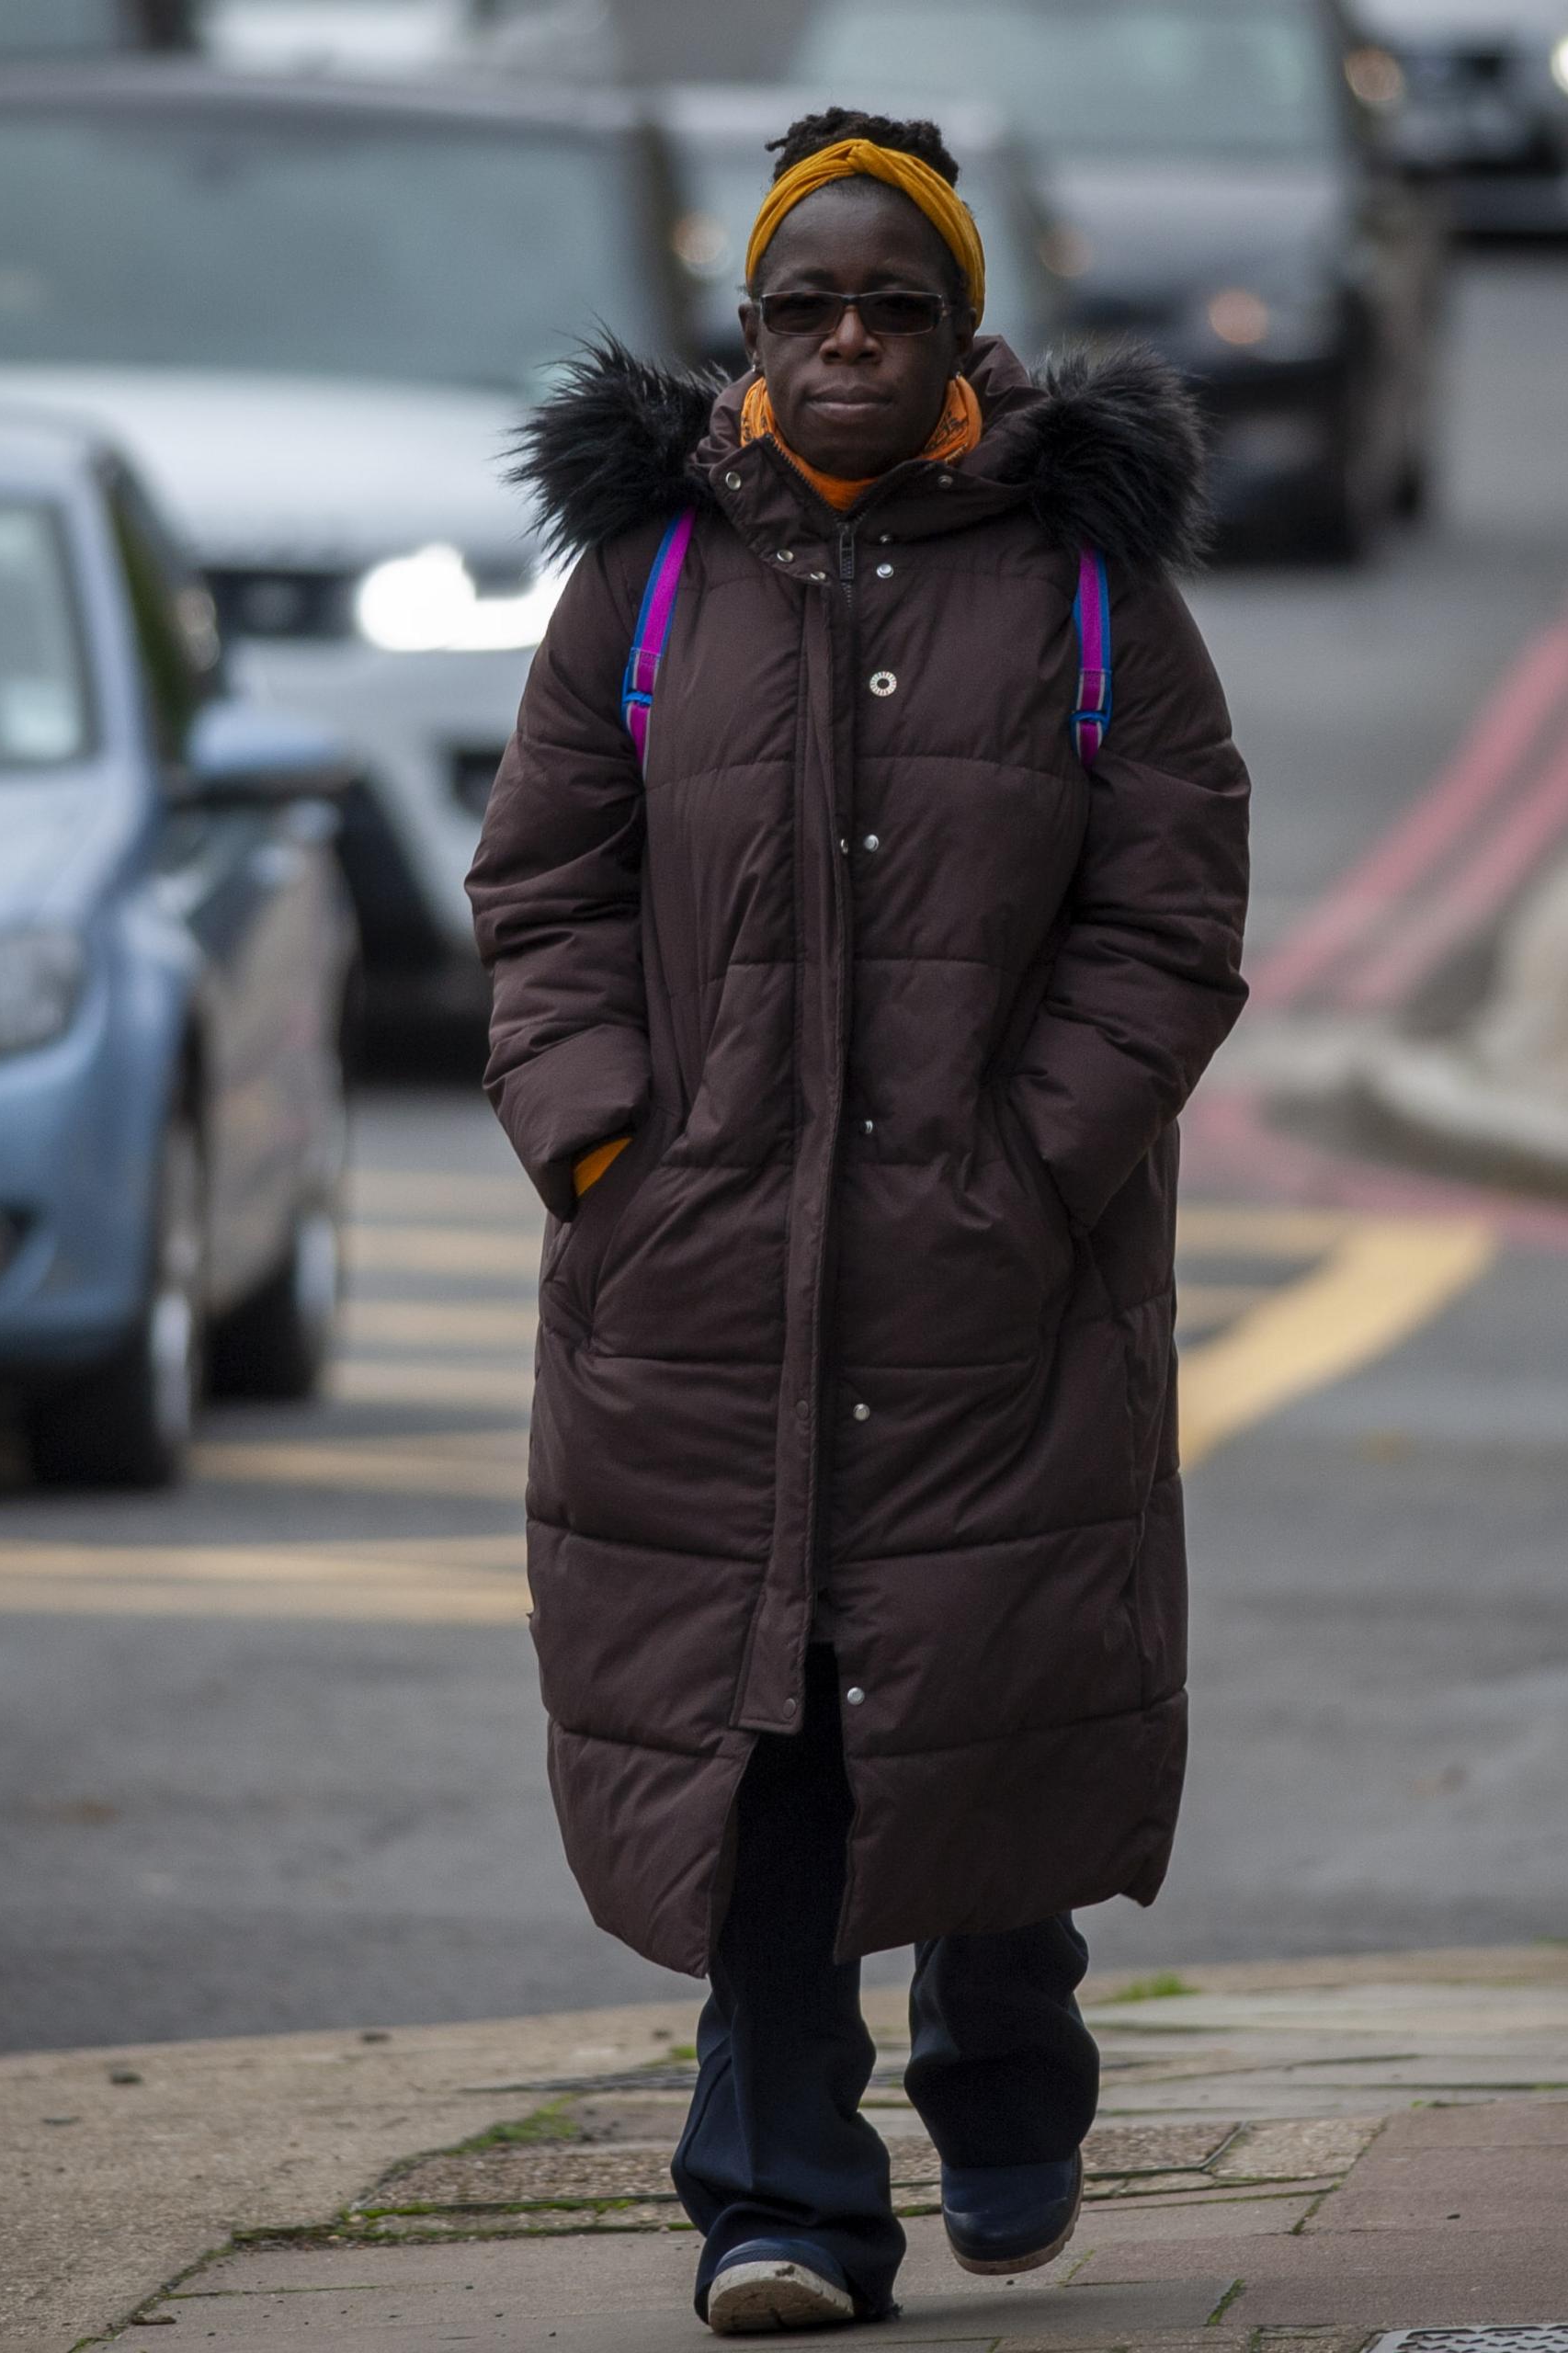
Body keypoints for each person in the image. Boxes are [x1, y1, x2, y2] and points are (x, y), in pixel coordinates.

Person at [469, 108, 1251, 2335]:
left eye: (887, 309)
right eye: (800, 309)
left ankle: (1006, 2083)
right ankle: (776, 2193)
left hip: (999, 1277)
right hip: (695, 1281)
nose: (842, 344)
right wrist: (605, 1140)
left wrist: (1030, 1166)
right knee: (768, 1738)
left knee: (984, 1701)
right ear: (743, 335)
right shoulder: (640, 583)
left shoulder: (1090, 590)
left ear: (960, 334)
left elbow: (1167, 910)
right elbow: (538, 889)